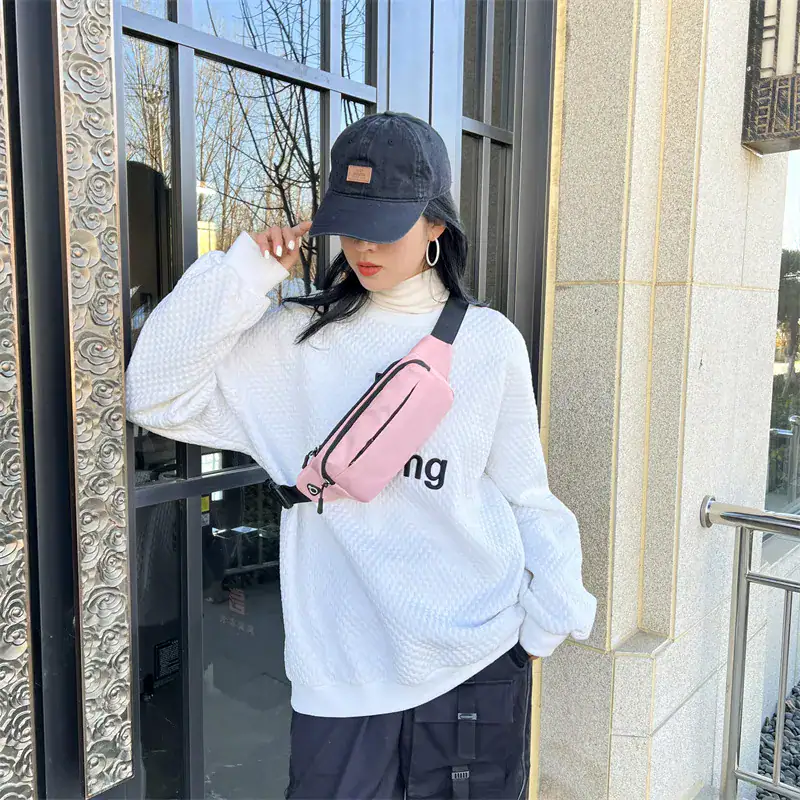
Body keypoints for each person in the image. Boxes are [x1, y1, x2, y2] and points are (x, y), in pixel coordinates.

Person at [126, 111, 597, 799]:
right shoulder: (297, 340)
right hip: (341, 682)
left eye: (385, 225)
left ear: (436, 225)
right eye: (350, 224)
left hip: (476, 660)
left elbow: (525, 495)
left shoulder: (489, 343)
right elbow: (152, 393)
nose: (363, 246)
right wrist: (243, 274)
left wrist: (544, 624)